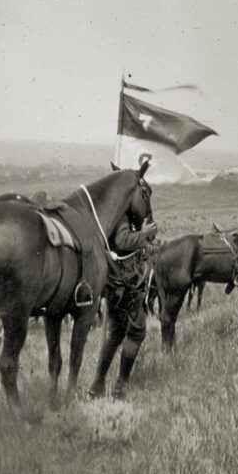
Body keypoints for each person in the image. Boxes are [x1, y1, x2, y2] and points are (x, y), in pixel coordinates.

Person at [88, 154, 159, 399]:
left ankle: (98, 385)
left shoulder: (114, 211)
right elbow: (122, 240)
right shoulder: (121, 215)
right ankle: (119, 387)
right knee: (136, 332)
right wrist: (145, 234)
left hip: (119, 282)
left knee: (116, 333)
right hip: (125, 283)